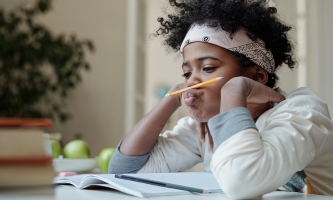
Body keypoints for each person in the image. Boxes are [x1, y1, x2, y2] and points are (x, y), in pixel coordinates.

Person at [109, 0, 333, 198]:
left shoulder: (301, 111)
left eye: (207, 68)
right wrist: (172, 97)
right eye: (187, 73)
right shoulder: (207, 126)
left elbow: (242, 183)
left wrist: (233, 91)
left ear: (257, 76)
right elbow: (126, 170)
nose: (191, 82)